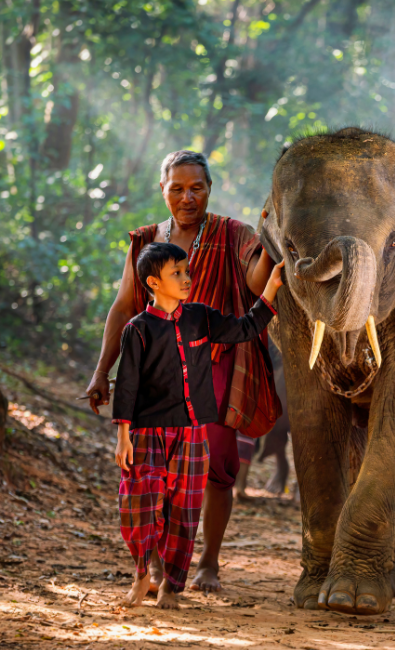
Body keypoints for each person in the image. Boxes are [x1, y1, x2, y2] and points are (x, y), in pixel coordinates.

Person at [87, 151, 276, 593]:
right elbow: (122, 306)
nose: (187, 197)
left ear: (210, 189)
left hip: (215, 370)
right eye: (178, 188)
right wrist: (102, 370)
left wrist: (269, 240)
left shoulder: (234, 234)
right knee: (153, 471)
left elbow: (255, 284)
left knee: (212, 469)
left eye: (197, 188)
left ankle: (207, 562)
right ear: (162, 190)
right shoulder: (147, 241)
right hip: (157, 374)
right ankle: (155, 565)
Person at [113, 242, 284, 608]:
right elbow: (126, 385)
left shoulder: (200, 318)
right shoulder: (137, 330)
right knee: (138, 507)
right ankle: (143, 573)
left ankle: (172, 586)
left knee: (185, 511)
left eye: (186, 271)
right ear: (153, 283)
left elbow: (244, 329)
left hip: (192, 432)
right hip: (146, 433)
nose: (186, 278)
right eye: (176, 273)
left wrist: (270, 288)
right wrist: (122, 436)